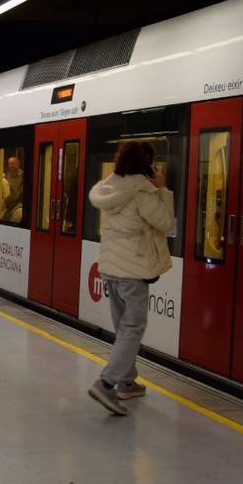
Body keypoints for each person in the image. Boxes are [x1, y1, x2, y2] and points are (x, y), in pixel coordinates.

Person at [86, 140, 174, 415]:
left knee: (124, 327)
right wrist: (163, 189)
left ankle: (126, 381)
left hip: (111, 268)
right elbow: (166, 223)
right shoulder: (142, 190)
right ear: (146, 163)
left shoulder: (111, 185)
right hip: (133, 270)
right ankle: (106, 384)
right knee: (134, 327)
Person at [1, 155, 25, 223]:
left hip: (17, 203)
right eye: (10, 164)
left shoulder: (23, 175)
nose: (12, 165)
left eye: (14, 163)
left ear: (18, 164)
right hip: (7, 203)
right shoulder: (6, 175)